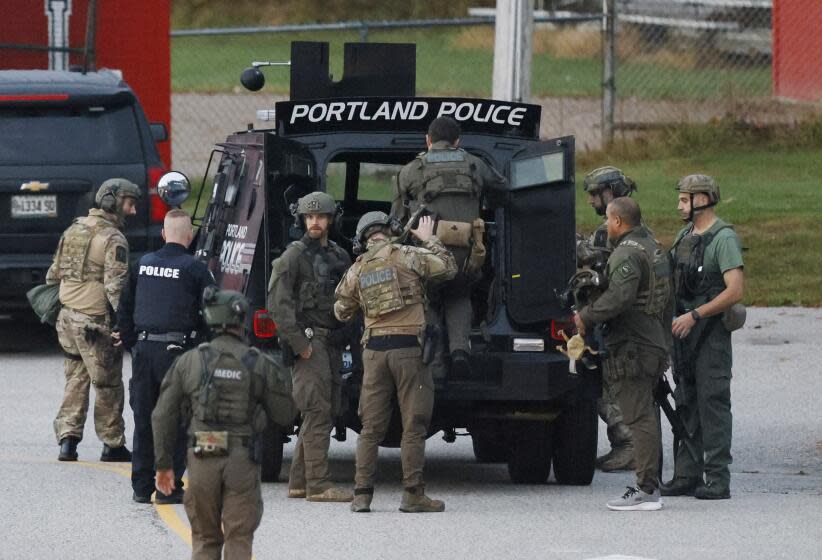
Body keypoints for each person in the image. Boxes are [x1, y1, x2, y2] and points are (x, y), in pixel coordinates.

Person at [152, 288, 296, 560]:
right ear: (242, 321)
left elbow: (162, 415)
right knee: (238, 537)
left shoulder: (190, 361)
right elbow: (285, 414)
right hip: (242, 458)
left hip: (203, 453)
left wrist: (163, 465)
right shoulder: (259, 363)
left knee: (205, 539)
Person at [335, 212, 457, 513]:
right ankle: (413, 495)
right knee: (413, 425)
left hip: (374, 352)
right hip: (409, 352)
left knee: (370, 428)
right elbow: (448, 269)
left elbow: (340, 311)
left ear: (363, 239)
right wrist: (430, 240)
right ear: (390, 232)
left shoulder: (357, 268)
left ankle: (362, 495)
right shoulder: (409, 255)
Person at [573, 197, 669, 511]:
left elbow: (620, 297)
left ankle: (646, 489)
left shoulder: (627, 254)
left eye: (608, 220)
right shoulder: (653, 247)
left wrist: (586, 316)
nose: (605, 226)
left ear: (618, 221)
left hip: (634, 346)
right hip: (652, 340)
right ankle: (649, 485)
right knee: (644, 415)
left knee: (638, 417)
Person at [115, 209, 216, 504]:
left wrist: (134, 345)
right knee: (177, 422)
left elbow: (124, 309)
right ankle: (167, 487)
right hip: (179, 354)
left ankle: (141, 487)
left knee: (144, 419)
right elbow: (213, 313)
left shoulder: (142, 264)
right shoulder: (196, 269)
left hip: (144, 353)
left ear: (163, 234)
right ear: (190, 236)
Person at [392, 116, 504, 377]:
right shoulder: (476, 165)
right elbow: (503, 190)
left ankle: (435, 366)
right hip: (468, 255)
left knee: (427, 299)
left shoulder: (411, 170)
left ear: (428, 141)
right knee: (459, 294)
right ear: (457, 142)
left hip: (428, 255)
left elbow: (396, 219)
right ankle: (459, 349)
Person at [661, 174, 744, 500]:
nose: (679, 205)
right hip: (683, 335)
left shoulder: (723, 239)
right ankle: (687, 474)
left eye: (684, 199)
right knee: (686, 402)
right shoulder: (685, 236)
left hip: (710, 335)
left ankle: (718, 478)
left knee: (713, 405)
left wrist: (696, 315)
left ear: (702, 200)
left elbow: (735, 289)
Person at [46, 178, 140, 462]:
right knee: (108, 383)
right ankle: (112, 444)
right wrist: (126, 326)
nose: (133, 211)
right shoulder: (113, 238)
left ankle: (68, 440)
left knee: (75, 378)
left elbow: (53, 275)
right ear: (112, 201)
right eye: (129, 203)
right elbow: (115, 289)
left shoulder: (74, 229)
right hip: (94, 323)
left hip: (67, 318)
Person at [267, 191, 353, 502]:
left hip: (330, 342)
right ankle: (318, 484)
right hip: (309, 342)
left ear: (331, 219)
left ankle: (300, 482)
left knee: (324, 412)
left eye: (321, 216)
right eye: (309, 217)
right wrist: (299, 344)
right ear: (302, 219)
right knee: (317, 411)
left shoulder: (340, 256)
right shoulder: (293, 256)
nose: (315, 222)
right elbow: (278, 303)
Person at [577, 166, 639, 472]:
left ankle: (629, 445)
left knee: (609, 385)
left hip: (616, 322)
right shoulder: (628, 226)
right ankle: (625, 444)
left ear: (610, 193)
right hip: (619, 321)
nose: (590, 201)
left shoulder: (612, 231)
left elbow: (591, 256)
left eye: (594, 194)